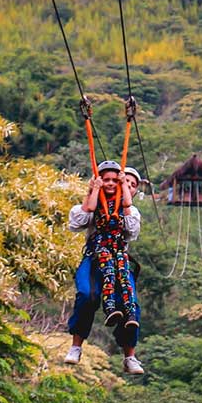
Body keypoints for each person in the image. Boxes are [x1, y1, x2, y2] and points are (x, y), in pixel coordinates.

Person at [64, 160, 145, 374]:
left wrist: (124, 200)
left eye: (132, 184)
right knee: (87, 294)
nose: (126, 186)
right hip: (95, 258)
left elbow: (131, 231)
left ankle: (130, 356)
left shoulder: (131, 211)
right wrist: (93, 190)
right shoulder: (96, 203)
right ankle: (76, 346)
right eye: (124, 182)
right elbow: (77, 222)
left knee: (130, 304)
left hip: (119, 259)